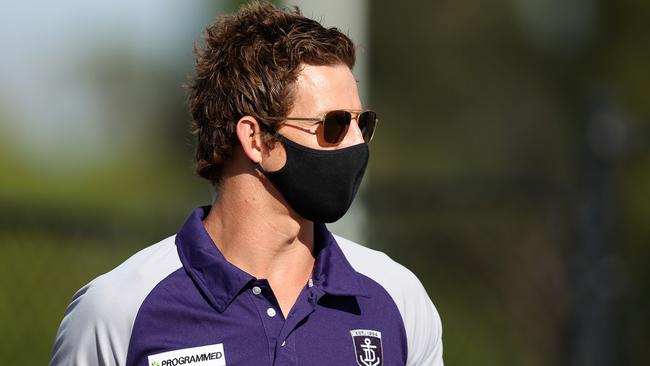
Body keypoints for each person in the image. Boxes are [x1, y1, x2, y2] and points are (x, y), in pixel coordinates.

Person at [49, 2, 443, 365]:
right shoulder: (119, 310)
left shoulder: (398, 299)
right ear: (255, 139)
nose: (356, 143)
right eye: (335, 125)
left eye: (364, 124)